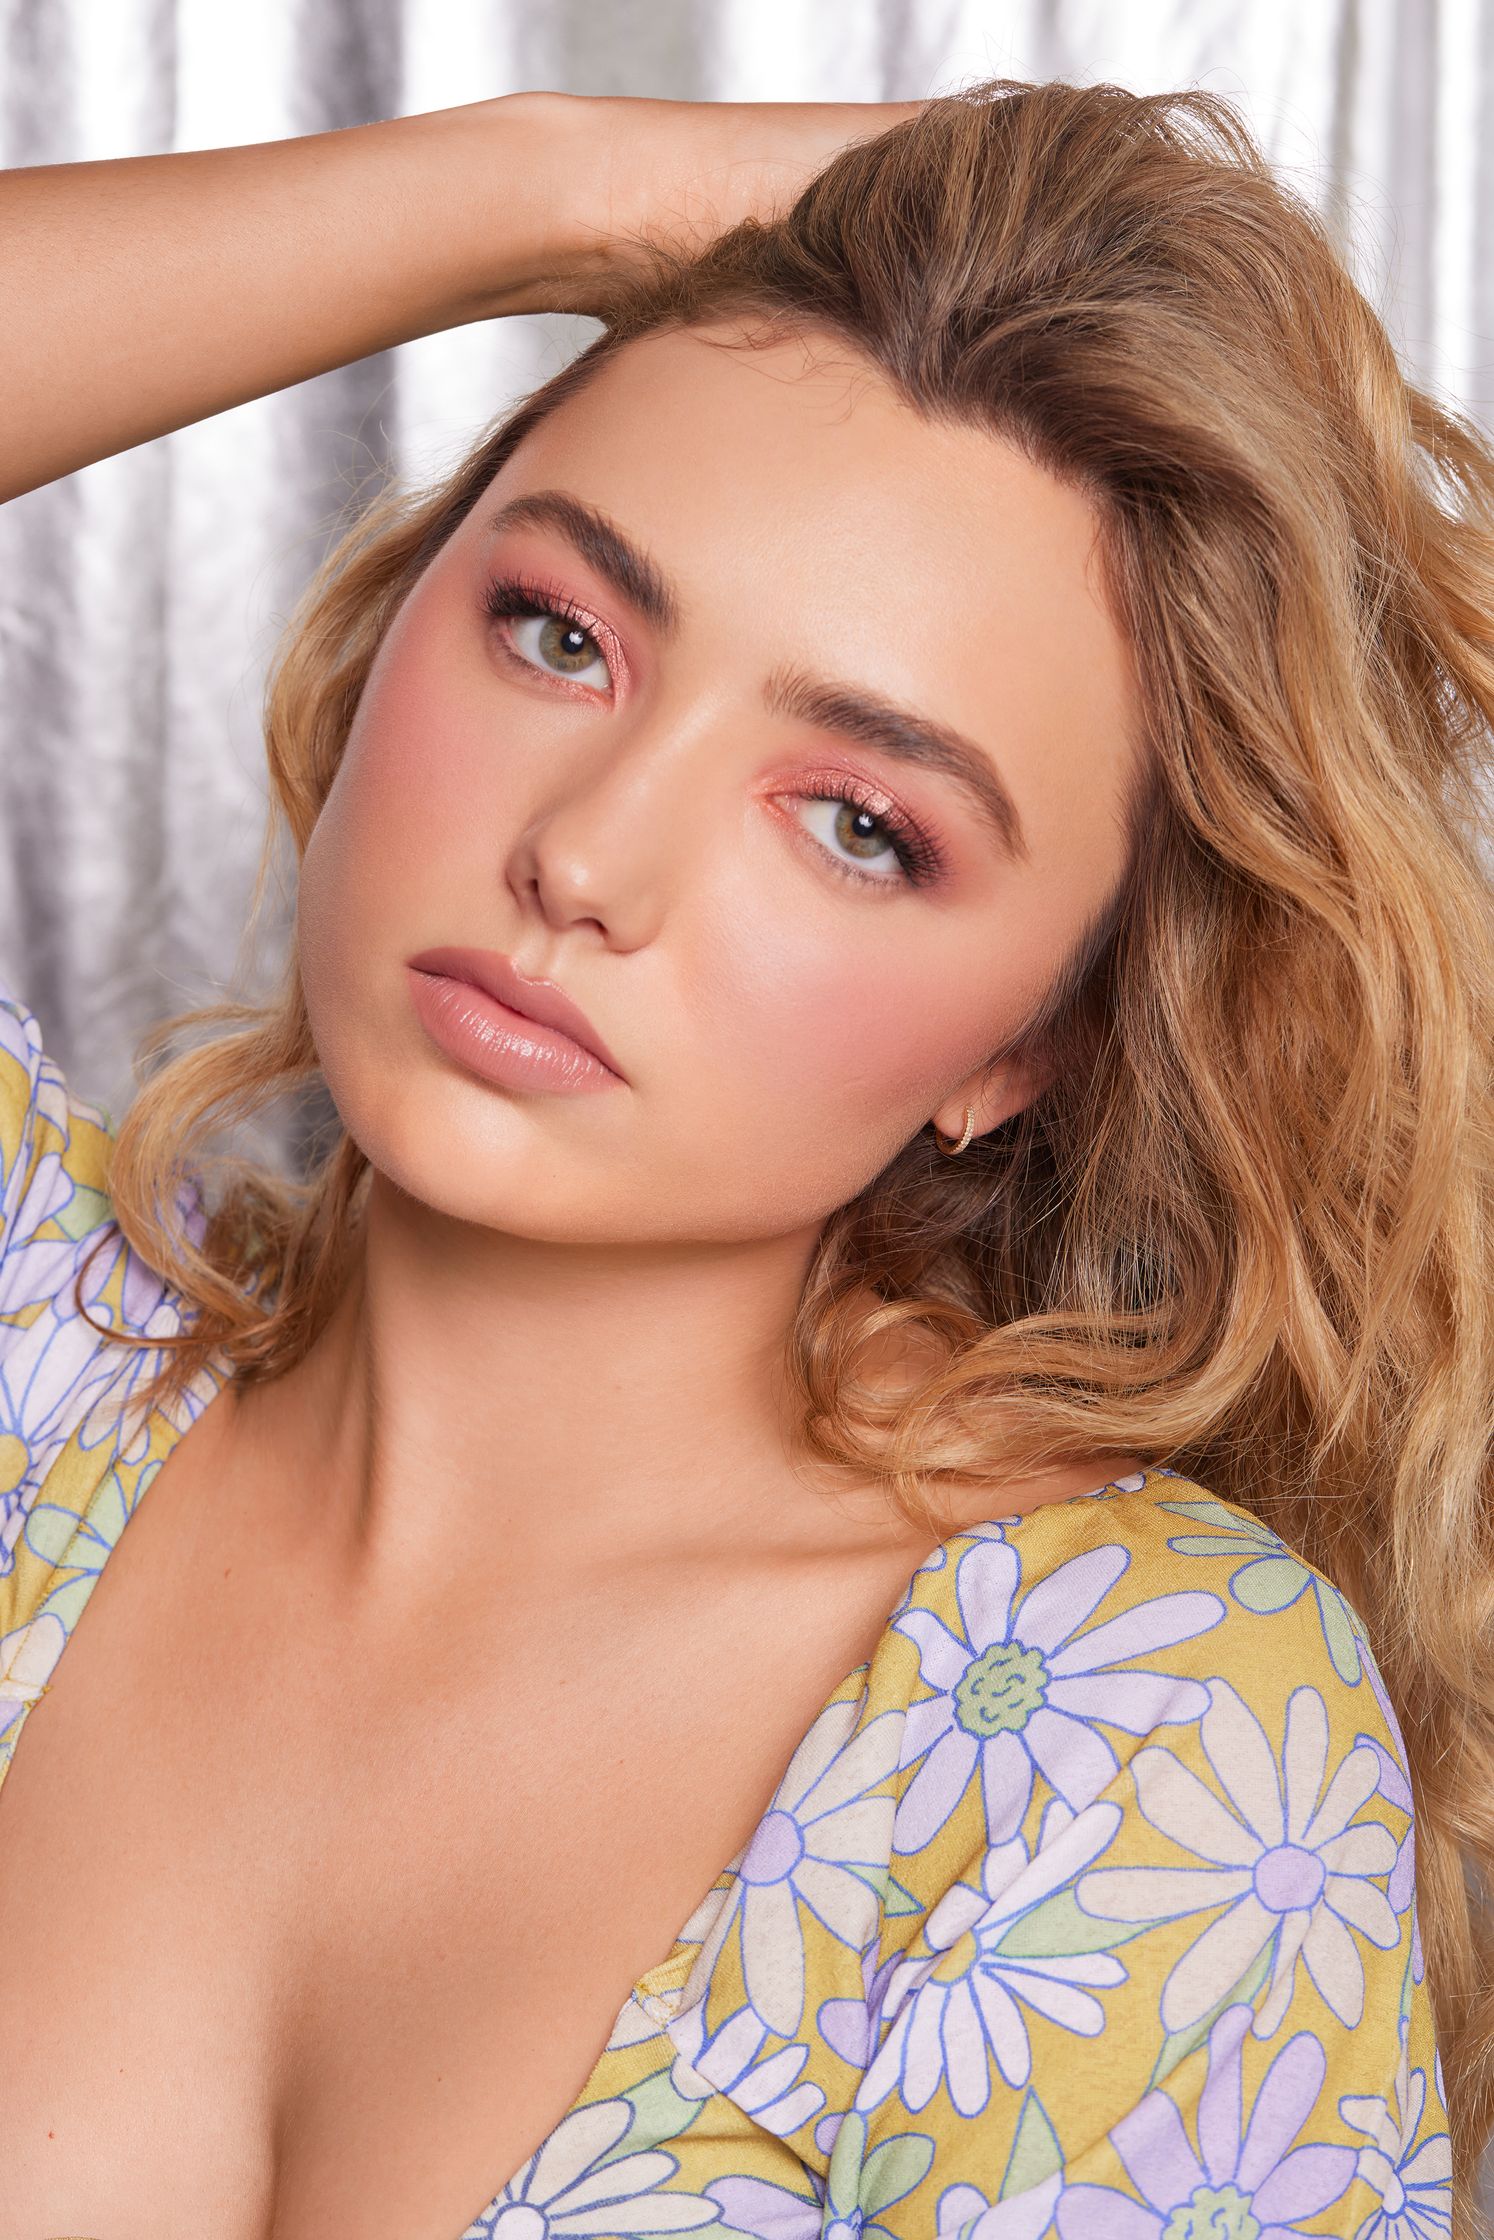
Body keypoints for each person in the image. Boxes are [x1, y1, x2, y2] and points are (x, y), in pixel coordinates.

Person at [0, 73, 1483, 2240]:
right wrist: (550, 184)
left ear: (1033, 1039)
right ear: (401, 606)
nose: (584, 858)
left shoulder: (1121, 1736)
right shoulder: (39, 1373)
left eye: (862, 823)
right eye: (560, 632)